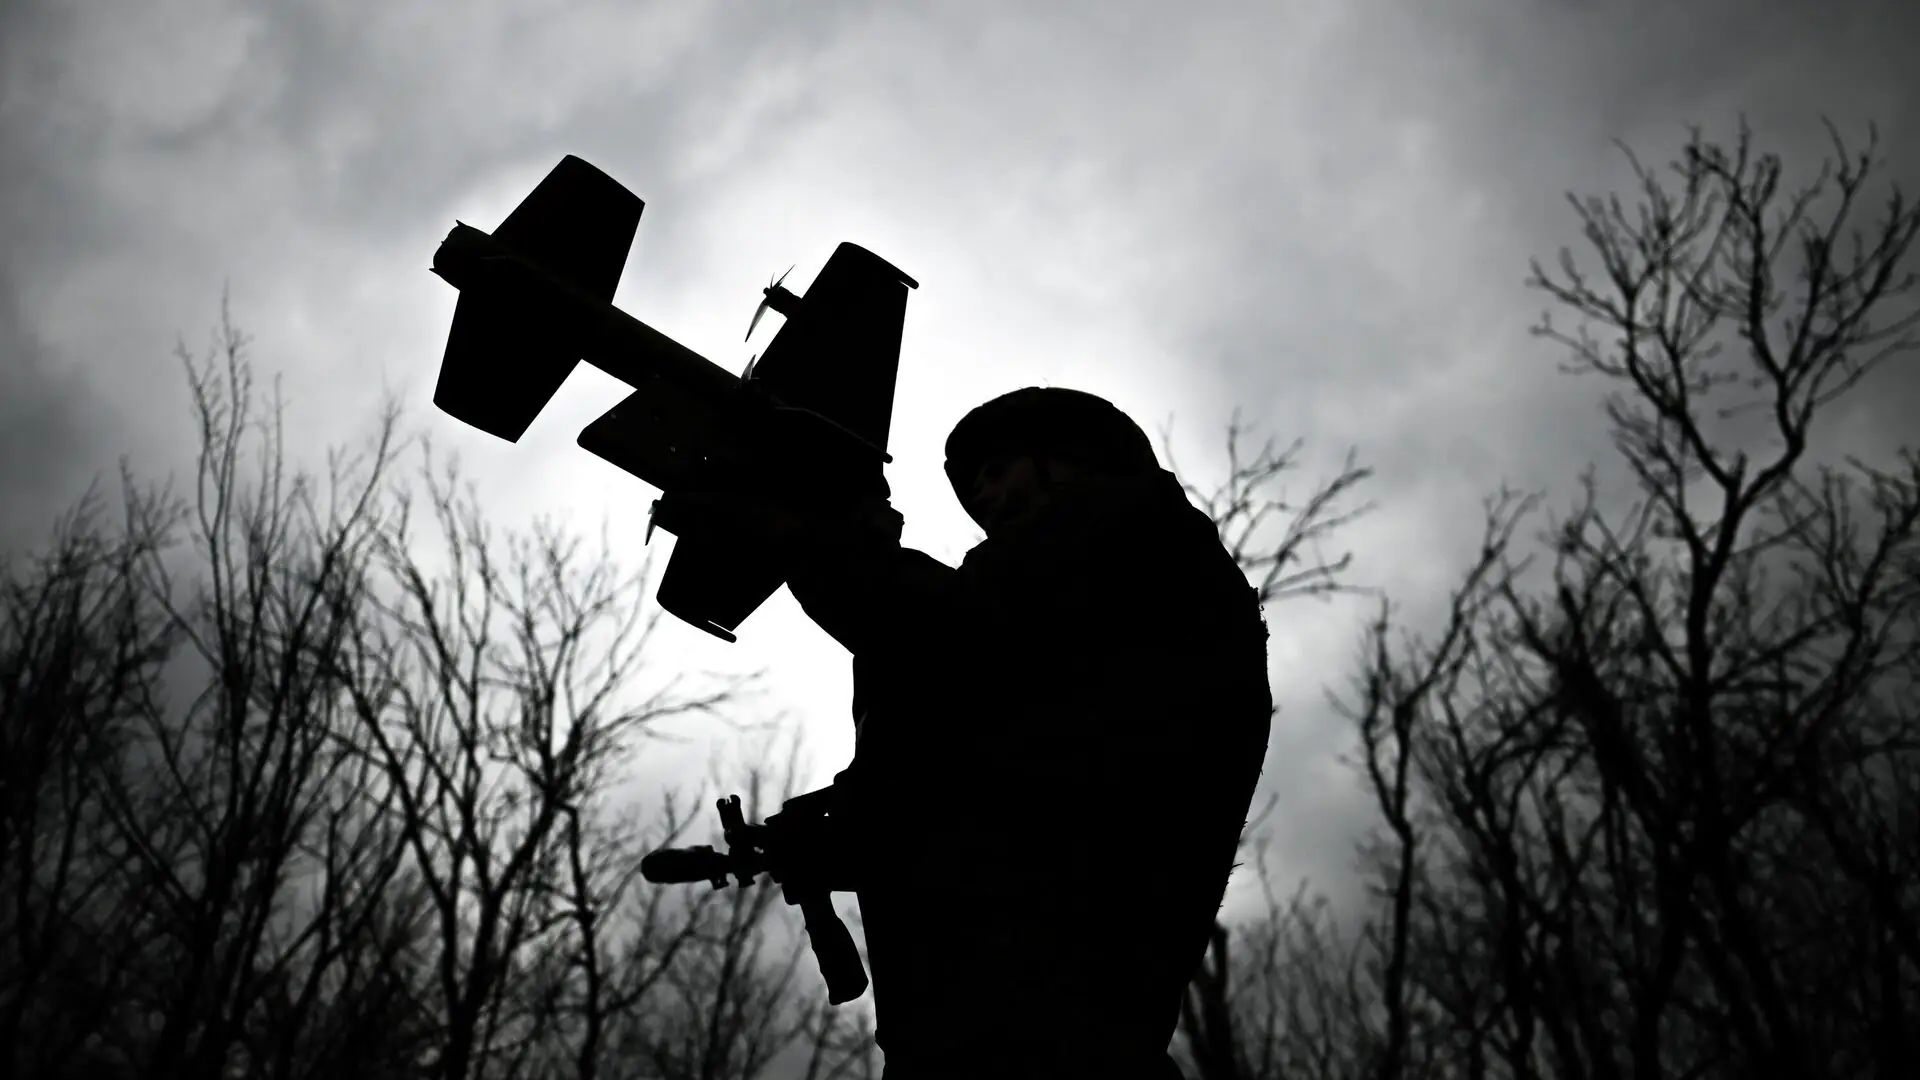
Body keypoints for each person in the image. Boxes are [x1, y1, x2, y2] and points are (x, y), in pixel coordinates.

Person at [731, 387, 1272, 1078]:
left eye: (997, 471)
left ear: (1069, 461)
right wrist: (854, 827)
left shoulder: (1129, 532)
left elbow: (951, 636)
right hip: (1014, 1023)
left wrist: (811, 535)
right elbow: (1000, 769)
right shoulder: (1085, 613)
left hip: (1043, 1024)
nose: (983, 498)